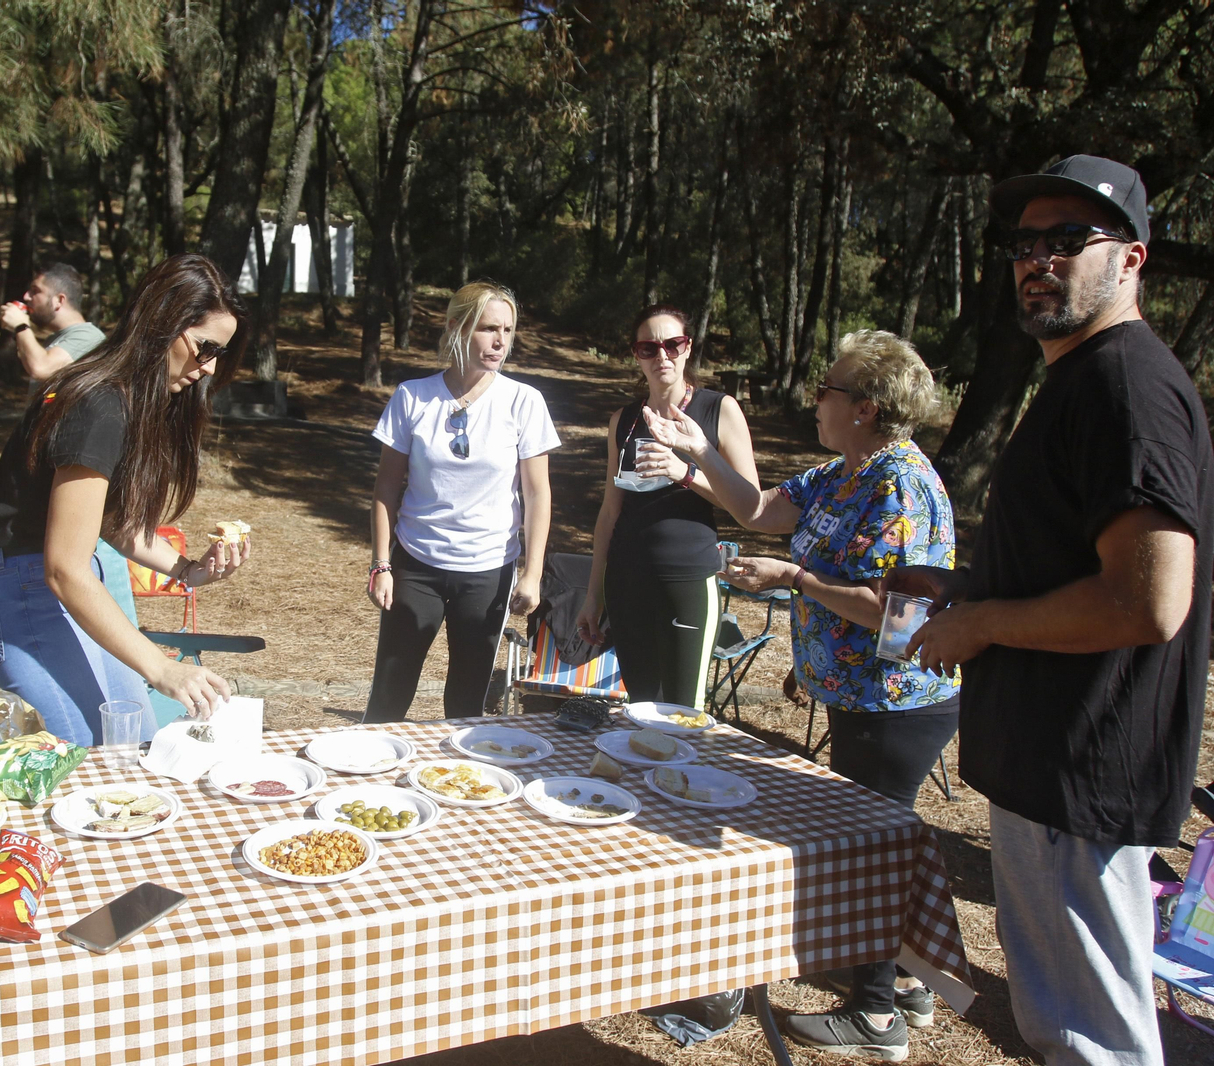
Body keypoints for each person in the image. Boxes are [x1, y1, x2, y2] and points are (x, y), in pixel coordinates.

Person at [887, 155, 1212, 1066]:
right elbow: (1077, 564)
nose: (1039, 259)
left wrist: (983, 624)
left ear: (1133, 259)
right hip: (1050, 765)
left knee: (1091, 1039)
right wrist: (969, 590)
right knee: (1061, 1024)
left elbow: (1150, 600)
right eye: (1026, 243)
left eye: (1070, 239)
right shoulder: (1081, 378)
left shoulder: (1126, 387)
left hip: (1085, 771)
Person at [649, 329, 959, 1061]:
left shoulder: (899, 486)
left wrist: (794, 581)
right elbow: (759, 511)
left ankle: (876, 1017)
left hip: (894, 703)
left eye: (828, 388)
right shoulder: (844, 472)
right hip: (856, 693)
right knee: (881, 842)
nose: (815, 398)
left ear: (866, 407)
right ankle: (911, 983)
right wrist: (701, 453)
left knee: (870, 851)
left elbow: (894, 614)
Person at [0, 253, 251, 746]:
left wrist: (188, 570)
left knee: (129, 743)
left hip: (72, 587)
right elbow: (64, 569)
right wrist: (162, 668)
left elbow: (110, 522)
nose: (208, 367)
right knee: (88, 758)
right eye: (205, 347)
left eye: (219, 355)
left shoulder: (124, 400)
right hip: (31, 592)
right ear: (163, 322)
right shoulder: (98, 404)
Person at [365, 281, 560, 722]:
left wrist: (531, 574)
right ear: (456, 327)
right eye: (488, 328)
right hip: (416, 565)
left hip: (488, 572)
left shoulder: (524, 402)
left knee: (467, 705)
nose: (500, 341)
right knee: (389, 695)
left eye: (507, 330)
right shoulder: (413, 396)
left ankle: (460, 767)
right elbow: (386, 488)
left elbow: (537, 494)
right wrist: (381, 564)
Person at [573, 304, 759, 707]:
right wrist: (593, 595)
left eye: (672, 345)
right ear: (636, 355)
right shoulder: (624, 420)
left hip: (686, 579)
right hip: (626, 580)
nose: (662, 356)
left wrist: (684, 472)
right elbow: (609, 513)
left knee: (682, 712)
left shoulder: (718, 409)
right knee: (641, 706)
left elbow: (749, 503)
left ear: (688, 348)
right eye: (648, 348)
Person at [0, 263, 107, 382]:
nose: (26, 296)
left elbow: (41, 368)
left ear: (59, 300)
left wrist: (21, 326)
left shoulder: (90, 338)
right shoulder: (54, 339)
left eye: (35, 291)